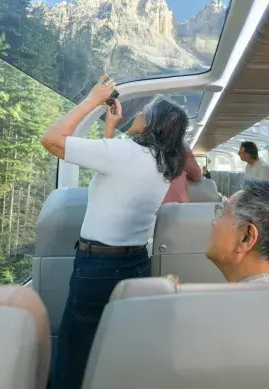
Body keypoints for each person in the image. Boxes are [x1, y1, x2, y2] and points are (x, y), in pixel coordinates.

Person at [39, 75, 188, 389]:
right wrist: (110, 127)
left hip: (97, 267)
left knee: (76, 349)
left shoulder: (123, 155)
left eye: (145, 113)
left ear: (153, 125)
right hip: (136, 264)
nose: (138, 116)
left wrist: (92, 100)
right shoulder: (162, 163)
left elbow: (51, 138)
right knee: (118, 345)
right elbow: (115, 174)